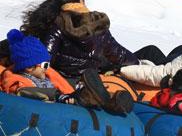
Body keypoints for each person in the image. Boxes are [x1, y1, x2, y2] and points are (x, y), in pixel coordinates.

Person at [20, 0, 140, 78]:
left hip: (68, 78)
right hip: (89, 81)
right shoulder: (96, 24)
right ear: (81, 0)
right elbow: (120, 55)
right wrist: (138, 63)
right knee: (150, 51)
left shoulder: (50, 21)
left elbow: (44, 56)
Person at [2, 29, 133, 114]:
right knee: (77, 101)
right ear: (29, 67)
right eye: (45, 64)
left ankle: (104, 99)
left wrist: (76, 87)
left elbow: (61, 83)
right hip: (46, 110)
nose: (48, 68)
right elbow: (28, 92)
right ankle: (87, 97)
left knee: (79, 95)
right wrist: (59, 96)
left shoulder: (43, 76)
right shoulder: (17, 81)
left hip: (63, 101)